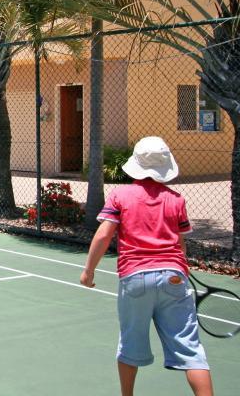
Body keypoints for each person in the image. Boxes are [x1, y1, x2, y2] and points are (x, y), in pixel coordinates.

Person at [80, 136, 213, 396]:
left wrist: (88, 270)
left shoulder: (120, 195)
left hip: (135, 278)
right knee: (191, 352)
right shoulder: (176, 199)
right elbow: (180, 243)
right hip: (175, 277)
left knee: (130, 345)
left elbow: (103, 235)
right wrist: (179, 269)